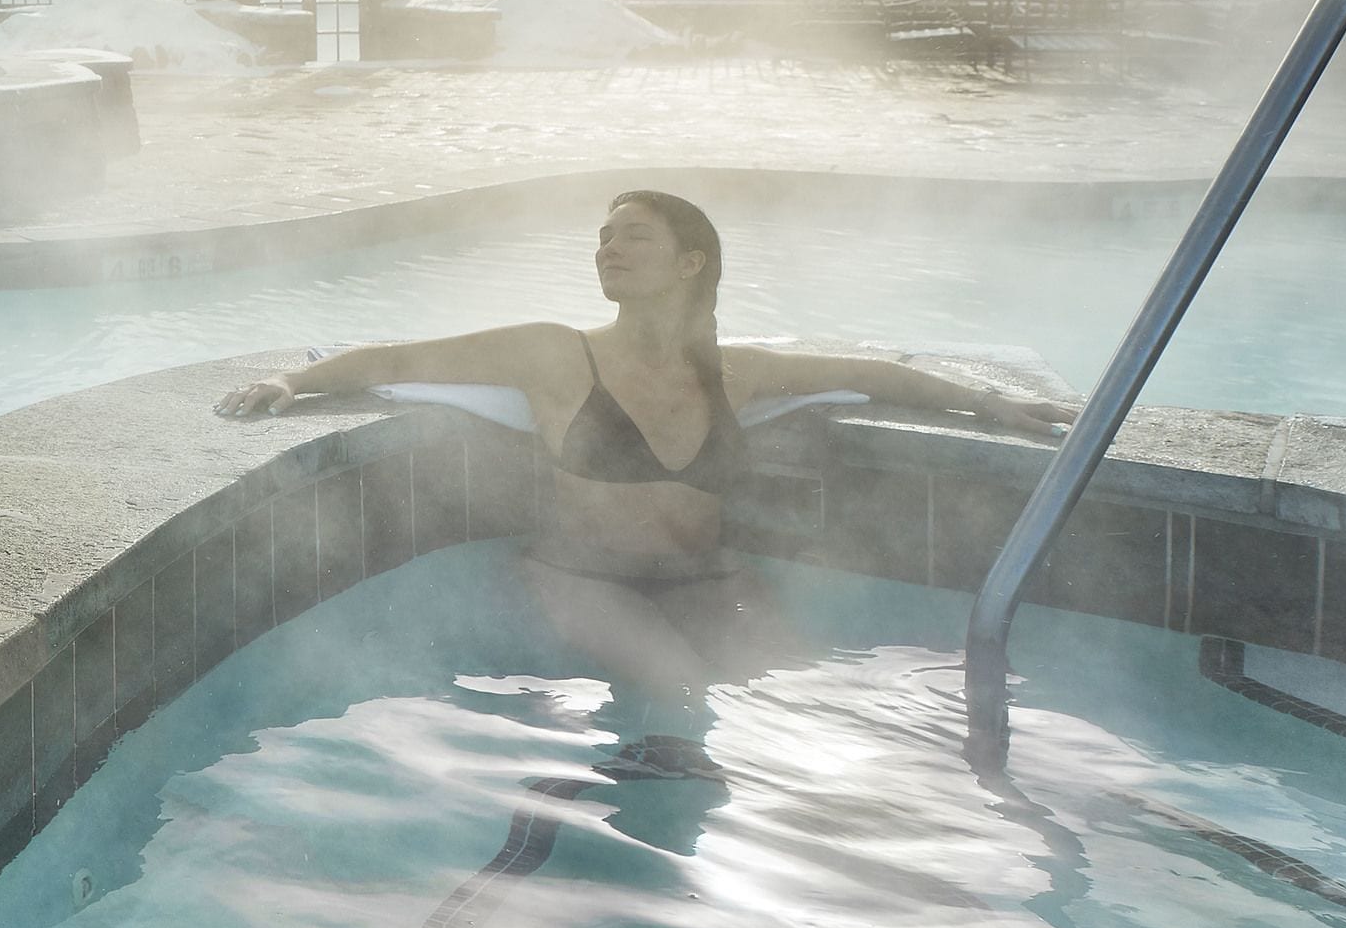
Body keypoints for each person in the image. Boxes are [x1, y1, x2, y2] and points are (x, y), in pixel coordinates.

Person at [213, 190, 1075, 715]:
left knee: (803, 694)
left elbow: (871, 374)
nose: (607, 248)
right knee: (676, 693)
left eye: (633, 235)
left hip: (710, 576)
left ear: (691, 261)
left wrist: (993, 402)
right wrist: (293, 381)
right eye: (602, 235)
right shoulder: (556, 353)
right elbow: (397, 359)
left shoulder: (733, 372)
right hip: (582, 576)